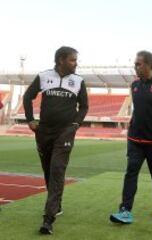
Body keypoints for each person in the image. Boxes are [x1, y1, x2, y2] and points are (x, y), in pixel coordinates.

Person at [23, 46, 88, 234]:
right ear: (61, 60)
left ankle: (48, 219)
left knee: (57, 169)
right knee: (48, 171)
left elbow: (84, 107)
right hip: (43, 132)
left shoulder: (78, 81)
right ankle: (57, 205)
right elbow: (28, 96)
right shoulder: (44, 76)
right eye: (72, 60)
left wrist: (75, 125)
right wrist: (30, 119)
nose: (76, 64)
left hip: (65, 132)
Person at [110, 51, 152, 224]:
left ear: (149, 65)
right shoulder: (134, 85)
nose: (136, 67)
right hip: (135, 140)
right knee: (131, 173)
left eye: (139, 64)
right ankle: (125, 210)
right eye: (135, 64)